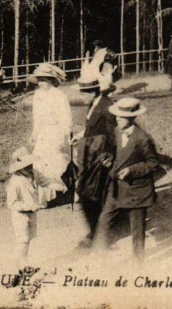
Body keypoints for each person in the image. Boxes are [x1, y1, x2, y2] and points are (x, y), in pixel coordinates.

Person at [94, 97, 160, 263]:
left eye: (121, 117)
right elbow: (114, 151)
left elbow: (153, 163)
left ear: (131, 118)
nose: (117, 119)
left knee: (137, 229)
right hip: (117, 187)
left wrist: (132, 170)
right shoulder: (117, 131)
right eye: (116, 116)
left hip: (137, 190)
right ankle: (100, 258)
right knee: (103, 220)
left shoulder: (142, 138)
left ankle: (138, 264)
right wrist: (107, 157)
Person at [72, 69, 117, 248]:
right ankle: (97, 233)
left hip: (103, 158)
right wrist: (81, 135)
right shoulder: (93, 105)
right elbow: (93, 128)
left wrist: (111, 156)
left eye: (84, 94)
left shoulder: (106, 107)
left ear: (93, 92)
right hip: (92, 154)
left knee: (90, 195)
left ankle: (98, 236)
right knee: (93, 195)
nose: (81, 97)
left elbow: (115, 134)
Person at [28, 63, 72, 206]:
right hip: (43, 133)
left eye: (44, 80)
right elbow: (37, 118)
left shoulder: (59, 96)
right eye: (39, 80)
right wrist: (34, 135)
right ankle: (43, 198)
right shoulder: (38, 95)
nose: (41, 83)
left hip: (55, 132)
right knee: (38, 162)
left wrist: (65, 135)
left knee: (54, 162)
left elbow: (65, 118)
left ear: (52, 80)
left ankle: (61, 193)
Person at [6, 147, 43, 266]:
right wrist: (28, 206)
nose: (29, 168)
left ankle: (24, 264)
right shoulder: (15, 182)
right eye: (25, 166)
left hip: (31, 214)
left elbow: (44, 180)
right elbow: (11, 203)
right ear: (19, 168)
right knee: (23, 241)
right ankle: (14, 266)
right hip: (20, 215)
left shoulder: (34, 174)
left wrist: (56, 185)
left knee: (28, 240)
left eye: (30, 165)